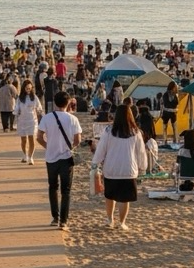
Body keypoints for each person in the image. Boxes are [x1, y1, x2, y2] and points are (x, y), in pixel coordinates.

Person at [92, 105, 146, 230]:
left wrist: (96, 163)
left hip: (111, 169)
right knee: (124, 199)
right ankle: (122, 222)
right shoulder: (136, 132)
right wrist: (143, 166)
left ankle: (110, 219)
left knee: (110, 196)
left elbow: (101, 149)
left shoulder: (109, 131)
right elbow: (141, 152)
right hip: (129, 169)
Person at [37, 91, 83, 231]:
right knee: (66, 190)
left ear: (55, 103)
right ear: (68, 103)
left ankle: (55, 217)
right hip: (66, 157)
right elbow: (78, 140)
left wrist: (48, 146)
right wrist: (70, 147)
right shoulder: (72, 119)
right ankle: (63, 221)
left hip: (51, 158)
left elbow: (39, 137)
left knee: (52, 187)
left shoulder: (47, 118)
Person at [14, 80, 42, 164]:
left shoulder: (34, 97)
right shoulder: (20, 98)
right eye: (27, 88)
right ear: (24, 88)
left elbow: (39, 108)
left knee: (31, 139)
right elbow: (16, 108)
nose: (28, 90)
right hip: (22, 121)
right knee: (23, 140)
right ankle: (25, 155)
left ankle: (31, 157)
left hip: (32, 121)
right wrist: (16, 112)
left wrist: (39, 113)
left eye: (30, 88)